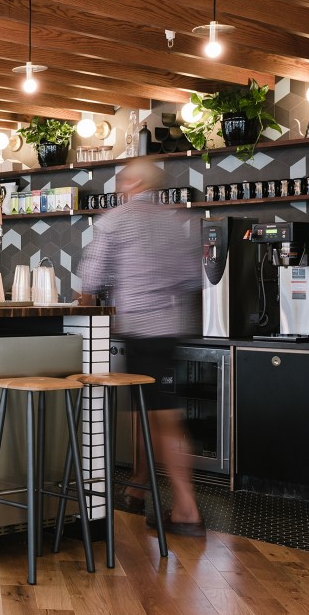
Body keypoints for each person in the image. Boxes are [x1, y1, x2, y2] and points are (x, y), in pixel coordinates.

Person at [78, 157, 205, 536]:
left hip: (140, 330)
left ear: (133, 184)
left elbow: (91, 279)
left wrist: (82, 310)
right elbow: (191, 279)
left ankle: (187, 510)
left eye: (122, 181)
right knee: (148, 410)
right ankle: (137, 486)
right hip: (170, 329)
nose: (120, 188)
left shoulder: (116, 220)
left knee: (163, 418)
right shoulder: (175, 222)